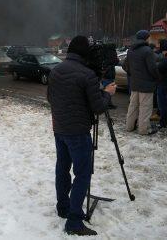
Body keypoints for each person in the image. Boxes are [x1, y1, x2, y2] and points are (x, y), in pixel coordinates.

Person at [47, 35, 116, 236]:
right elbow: (98, 108)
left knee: (62, 168)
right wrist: (107, 93)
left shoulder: (56, 70)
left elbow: (51, 98)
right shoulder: (87, 75)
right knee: (83, 174)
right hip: (78, 132)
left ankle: (63, 207)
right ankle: (74, 221)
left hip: (59, 129)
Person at [122, 30, 160, 135]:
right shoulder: (147, 51)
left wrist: (133, 74)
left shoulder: (130, 50)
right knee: (145, 107)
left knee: (133, 106)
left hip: (134, 84)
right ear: (146, 38)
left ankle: (129, 127)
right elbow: (152, 68)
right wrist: (157, 78)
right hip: (146, 85)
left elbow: (124, 66)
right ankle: (143, 130)